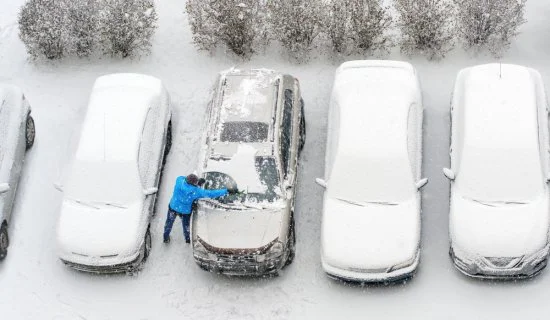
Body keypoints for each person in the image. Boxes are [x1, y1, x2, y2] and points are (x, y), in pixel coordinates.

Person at [163, 174, 234, 244]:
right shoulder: (196, 191)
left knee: (169, 223)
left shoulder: (179, 181)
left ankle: (165, 238)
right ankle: (187, 239)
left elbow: (182, 178)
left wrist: (196, 183)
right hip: (184, 211)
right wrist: (226, 191)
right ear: (194, 184)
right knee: (186, 226)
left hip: (173, 207)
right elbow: (211, 193)